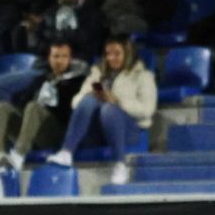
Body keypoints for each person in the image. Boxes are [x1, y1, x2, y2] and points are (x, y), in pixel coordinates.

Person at [50, 35, 156, 172]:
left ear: (128, 53)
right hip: (98, 131)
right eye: (108, 54)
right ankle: (66, 152)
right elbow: (75, 102)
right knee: (90, 100)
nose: (111, 58)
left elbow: (147, 110)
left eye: (116, 54)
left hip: (129, 129)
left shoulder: (143, 76)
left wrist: (118, 102)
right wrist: (90, 96)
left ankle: (120, 164)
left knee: (108, 109)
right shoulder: (97, 73)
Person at [0, 40, 88, 171]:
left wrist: (55, 91)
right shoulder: (41, 79)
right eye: (56, 56)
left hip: (55, 133)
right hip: (30, 132)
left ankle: (18, 154)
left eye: (64, 56)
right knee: (2, 107)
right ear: (49, 59)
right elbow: (21, 104)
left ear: (70, 59)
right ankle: (0, 153)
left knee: (34, 107)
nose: (59, 61)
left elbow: (69, 112)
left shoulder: (77, 82)